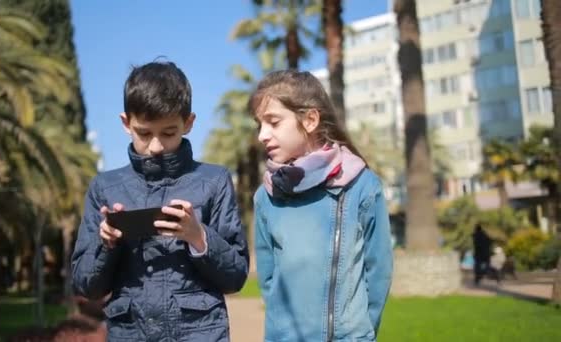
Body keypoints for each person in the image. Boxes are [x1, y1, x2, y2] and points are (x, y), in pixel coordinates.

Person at [71, 60, 249, 341]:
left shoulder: (215, 181)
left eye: (168, 133)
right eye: (144, 133)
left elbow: (236, 277)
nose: (155, 146)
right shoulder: (105, 188)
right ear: (126, 123)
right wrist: (105, 244)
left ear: (188, 123)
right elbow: (85, 286)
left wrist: (199, 237)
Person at [250, 70, 393, 341]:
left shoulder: (362, 185)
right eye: (259, 125)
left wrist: (360, 333)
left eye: (273, 122)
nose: (262, 135)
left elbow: (378, 271)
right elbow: (268, 278)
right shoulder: (265, 196)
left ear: (311, 120)